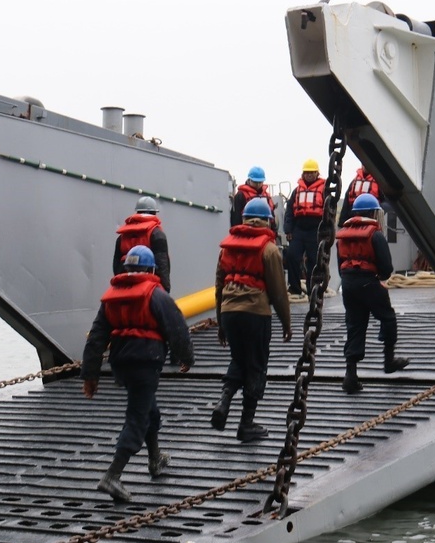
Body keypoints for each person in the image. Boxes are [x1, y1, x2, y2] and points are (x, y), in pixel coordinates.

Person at [81, 245, 194, 502]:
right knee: (137, 418)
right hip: (146, 363)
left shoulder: (111, 297)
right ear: (151, 269)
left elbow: (96, 338)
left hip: (122, 365)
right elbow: (177, 330)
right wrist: (187, 358)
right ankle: (112, 476)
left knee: (148, 410)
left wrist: (91, 375)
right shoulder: (157, 295)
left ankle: (155, 459)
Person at [212, 197, 292, 442]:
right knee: (256, 365)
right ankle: (246, 423)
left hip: (229, 312)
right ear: (269, 221)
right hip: (255, 313)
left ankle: (224, 401)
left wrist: (221, 323)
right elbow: (278, 291)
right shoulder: (268, 249)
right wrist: (286, 323)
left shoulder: (227, 248)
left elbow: (218, 286)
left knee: (238, 360)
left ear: (244, 219)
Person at [336, 194, 409, 394]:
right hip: (368, 282)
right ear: (373, 213)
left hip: (348, 284)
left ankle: (350, 375)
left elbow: (339, 263)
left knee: (355, 325)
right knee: (387, 317)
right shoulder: (375, 234)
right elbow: (386, 266)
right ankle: (389, 360)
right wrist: (380, 277)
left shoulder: (342, 234)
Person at [283, 158, 326, 296]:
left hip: (315, 230)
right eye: (306, 172)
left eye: (311, 172)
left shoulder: (324, 190)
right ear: (303, 174)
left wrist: (326, 232)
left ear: (317, 173)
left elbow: (329, 210)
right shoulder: (297, 191)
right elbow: (289, 211)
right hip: (299, 229)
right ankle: (294, 288)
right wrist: (288, 229)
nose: (309, 175)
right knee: (292, 256)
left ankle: (311, 288)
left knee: (314, 261)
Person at [113, 196, 171, 293]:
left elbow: (116, 265)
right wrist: (165, 291)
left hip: (124, 288)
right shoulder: (156, 234)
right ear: (154, 213)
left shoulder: (123, 236)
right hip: (148, 290)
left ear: (137, 212)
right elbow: (162, 265)